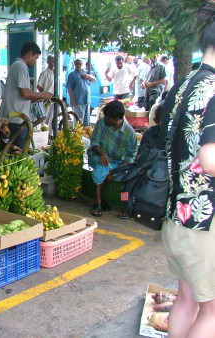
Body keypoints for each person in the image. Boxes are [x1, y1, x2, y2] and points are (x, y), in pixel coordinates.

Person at [160, 2, 215, 336]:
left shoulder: (184, 85)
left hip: (175, 215)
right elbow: (209, 160)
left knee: (186, 301)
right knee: (211, 313)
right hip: (202, 221)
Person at [0, 42, 53, 149]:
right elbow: (25, 93)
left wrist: (39, 98)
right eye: (36, 58)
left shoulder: (18, 66)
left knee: (13, 152)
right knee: (17, 153)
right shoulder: (20, 66)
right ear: (30, 54)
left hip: (15, 119)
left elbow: (21, 96)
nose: (35, 61)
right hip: (15, 121)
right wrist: (43, 94)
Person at [87, 100, 137, 217]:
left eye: (108, 118)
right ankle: (98, 201)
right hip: (97, 156)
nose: (105, 119)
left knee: (127, 176)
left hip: (117, 162)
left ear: (118, 118)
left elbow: (130, 157)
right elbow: (94, 142)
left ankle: (124, 205)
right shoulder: (101, 123)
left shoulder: (130, 134)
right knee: (102, 166)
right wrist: (102, 154)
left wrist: (114, 171)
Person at [66, 58, 96, 126]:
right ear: (74, 65)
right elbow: (69, 88)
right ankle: (77, 135)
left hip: (87, 100)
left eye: (80, 64)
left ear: (82, 65)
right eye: (76, 64)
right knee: (78, 121)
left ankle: (85, 134)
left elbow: (94, 79)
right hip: (78, 101)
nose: (78, 65)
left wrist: (88, 77)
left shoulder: (85, 73)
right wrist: (72, 100)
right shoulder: (72, 74)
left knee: (86, 121)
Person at [37, 55, 55, 131]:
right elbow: (39, 86)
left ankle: (50, 134)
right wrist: (44, 94)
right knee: (45, 118)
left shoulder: (56, 73)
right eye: (50, 62)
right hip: (46, 100)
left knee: (52, 118)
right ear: (47, 63)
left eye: (53, 61)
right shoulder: (44, 73)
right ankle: (44, 134)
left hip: (54, 99)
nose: (52, 63)